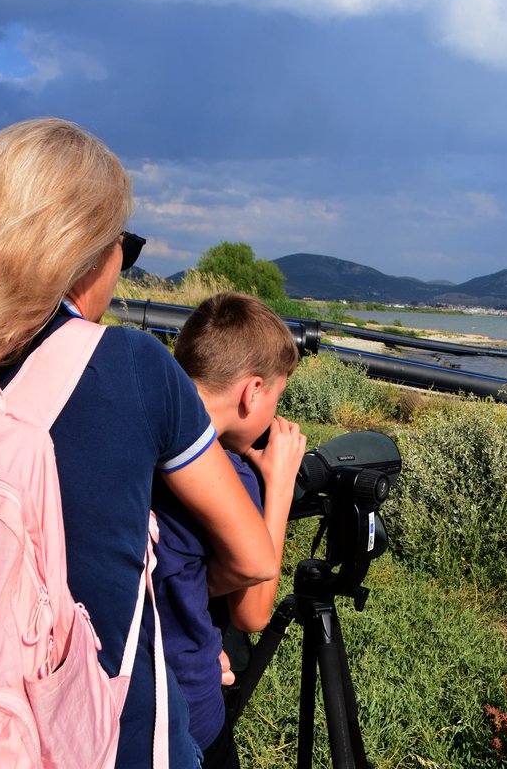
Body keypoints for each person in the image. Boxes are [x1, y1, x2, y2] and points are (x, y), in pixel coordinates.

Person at [0, 118, 277, 768]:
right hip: (107, 738)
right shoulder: (132, 364)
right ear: (86, 251)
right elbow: (250, 551)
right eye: (127, 244)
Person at [153, 292, 306, 768]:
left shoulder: (138, 431)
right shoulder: (226, 476)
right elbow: (252, 614)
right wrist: (277, 487)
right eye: (276, 398)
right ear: (252, 391)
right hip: (186, 712)